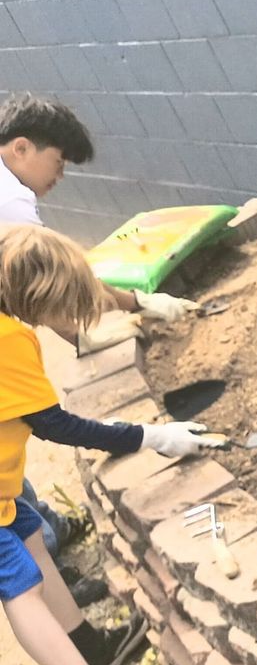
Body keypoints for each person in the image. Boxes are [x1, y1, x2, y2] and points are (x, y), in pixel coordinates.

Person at [0, 224, 210, 665]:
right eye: (64, 307)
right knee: (19, 589)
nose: (68, 319)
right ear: (37, 296)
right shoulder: (7, 340)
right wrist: (151, 435)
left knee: (27, 532)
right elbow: (55, 425)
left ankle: (90, 646)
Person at [0, 93, 199, 572]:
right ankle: (41, 553)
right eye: (59, 162)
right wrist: (149, 437)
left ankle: (42, 536)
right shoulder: (11, 206)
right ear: (21, 148)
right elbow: (54, 287)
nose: (60, 177)